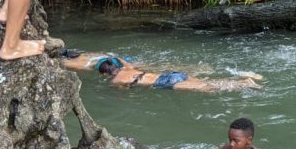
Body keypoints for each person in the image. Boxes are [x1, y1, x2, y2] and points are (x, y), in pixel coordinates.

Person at [60, 51, 262, 93]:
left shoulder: (115, 81)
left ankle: (244, 83)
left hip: (164, 83)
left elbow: (123, 95)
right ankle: (243, 78)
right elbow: (119, 58)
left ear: (105, 74)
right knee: (205, 81)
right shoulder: (128, 67)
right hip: (168, 75)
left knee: (208, 88)